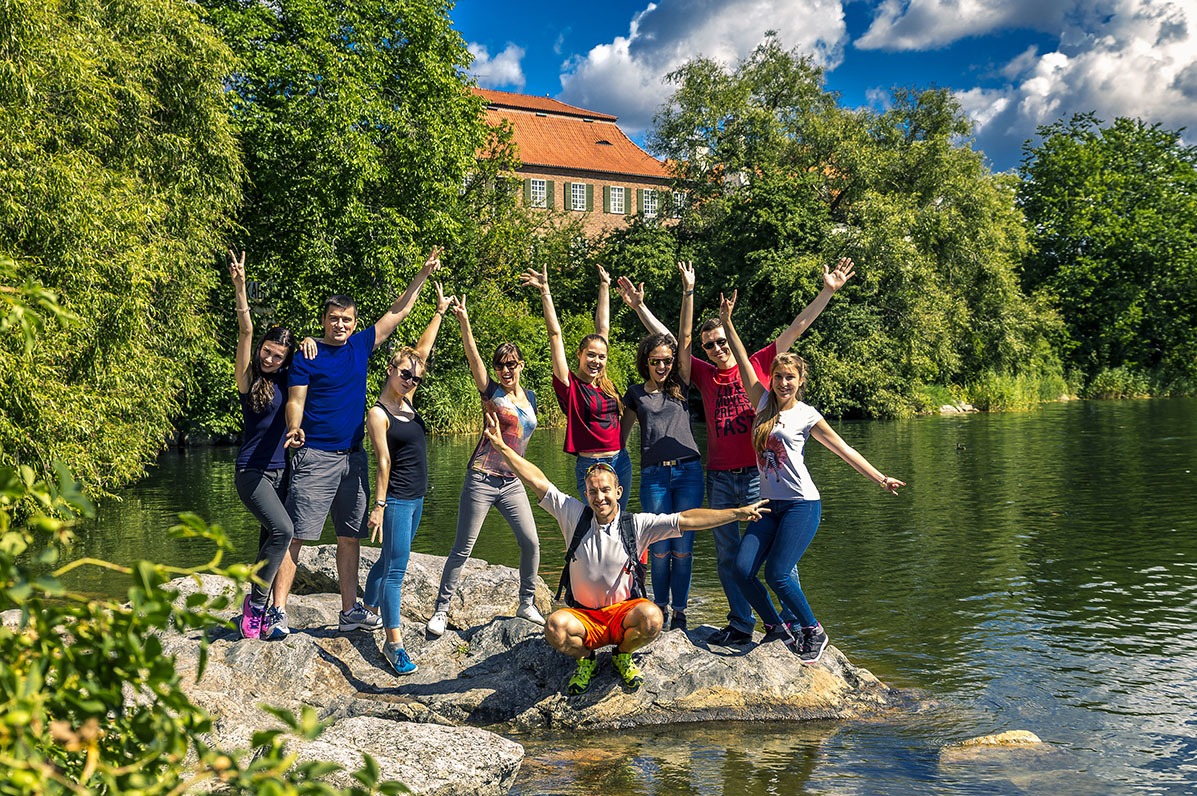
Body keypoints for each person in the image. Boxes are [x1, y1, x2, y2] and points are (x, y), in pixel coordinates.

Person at [621, 258, 854, 646]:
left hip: (757, 478)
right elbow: (672, 343)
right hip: (719, 476)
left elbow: (798, 327)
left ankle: (794, 623)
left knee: (780, 562)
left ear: (731, 339)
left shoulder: (759, 364)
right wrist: (641, 307)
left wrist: (827, 291)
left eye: (721, 342)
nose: (715, 349)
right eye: (709, 345)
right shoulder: (701, 372)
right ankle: (742, 623)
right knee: (730, 558)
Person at [479, 413, 770, 696]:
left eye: (605, 490)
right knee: (554, 628)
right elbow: (537, 480)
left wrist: (735, 513)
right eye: (592, 491)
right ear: (586, 493)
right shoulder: (573, 515)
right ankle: (587, 659)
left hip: (622, 616)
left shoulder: (638, 525)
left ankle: (622, 654)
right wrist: (503, 446)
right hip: (585, 617)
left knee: (653, 618)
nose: (599, 497)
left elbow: (687, 519)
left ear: (618, 491)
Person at [266, 247, 444, 639]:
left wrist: (422, 275)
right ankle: (277, 611)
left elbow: (397, 314)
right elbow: (295, 400)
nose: (340, 325)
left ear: (354, 322)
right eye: (333, 319)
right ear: (324, 321)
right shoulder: (307, 355)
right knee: (297, 533)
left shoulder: (361, 346)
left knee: (350, 536)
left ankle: (349, 611)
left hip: (353, 458)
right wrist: (294, 427)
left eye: (346, 319)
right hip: (315, 456)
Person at [721, 291, 904, 663]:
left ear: (801, 380)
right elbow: (741, 360)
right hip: (770, 506)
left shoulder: (806, 414)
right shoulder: (760, 402)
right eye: (779, 377)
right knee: (741, 570)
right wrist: (727, 322)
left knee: (779, 574)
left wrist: (880, 479)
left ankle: (813, 630)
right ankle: (776, 626)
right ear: (770, 380)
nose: (784, 383)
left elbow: (844, 450)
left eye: (791, 377)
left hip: (802, 504)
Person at [426, 296, 543, 637]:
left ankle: (526, 602)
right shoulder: (491, 391)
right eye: (502, 365)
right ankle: (441, 611)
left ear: (521, 365)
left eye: (512, 364)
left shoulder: (531, 398)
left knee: (532, 543)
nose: (507, 370)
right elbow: (472, 356)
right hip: (482, 477)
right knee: (463, 548)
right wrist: (463, 320)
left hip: (512, 482)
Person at [361, 284, 451, 675]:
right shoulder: (379, 412)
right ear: (389, 371)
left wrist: (439, 312)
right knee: (397, 569)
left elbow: (423, 351)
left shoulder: (408, 400)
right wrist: (379, 507)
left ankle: (367, 603)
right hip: (395, 498)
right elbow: (382, 462)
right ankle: (392, 643)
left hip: (416, 499)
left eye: (414, 377)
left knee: (391, 558)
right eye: (404, 374)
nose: (410, 380)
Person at [618, 264, 702, 631]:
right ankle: (660, 608)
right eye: (656, 362)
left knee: (682, 547)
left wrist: (688, 291)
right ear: (646, 363)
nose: (664, 366)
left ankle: (680, 612)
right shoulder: (636, 394)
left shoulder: (680, 384)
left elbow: (681, 336)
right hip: (653, 476)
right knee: (659, 548)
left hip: (688, 473)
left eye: (667, 361)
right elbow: (619, 440)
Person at [228, 249, 307, 639]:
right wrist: (241, 290)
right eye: (267, 352)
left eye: (278, 356)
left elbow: (310, 368)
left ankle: (253, 610)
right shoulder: (249, 380)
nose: (269, 359)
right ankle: (257, 606)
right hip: (252, 472)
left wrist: (309, 341)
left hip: (282, 474)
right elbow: (244, 331)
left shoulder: (289, 380)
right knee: (283, 531)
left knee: (268, 543)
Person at [522, 263, 631, 510]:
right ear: (580, 354)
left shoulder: (605, 383)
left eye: (601, 356)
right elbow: (555, 334)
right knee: (598, 523)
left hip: (620, 460)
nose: (596, 361)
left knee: (621, 523)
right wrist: (545, 291)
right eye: (591, 355)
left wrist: (605, 286)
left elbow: (603, 328)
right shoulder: (570, 386)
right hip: (591, 465)